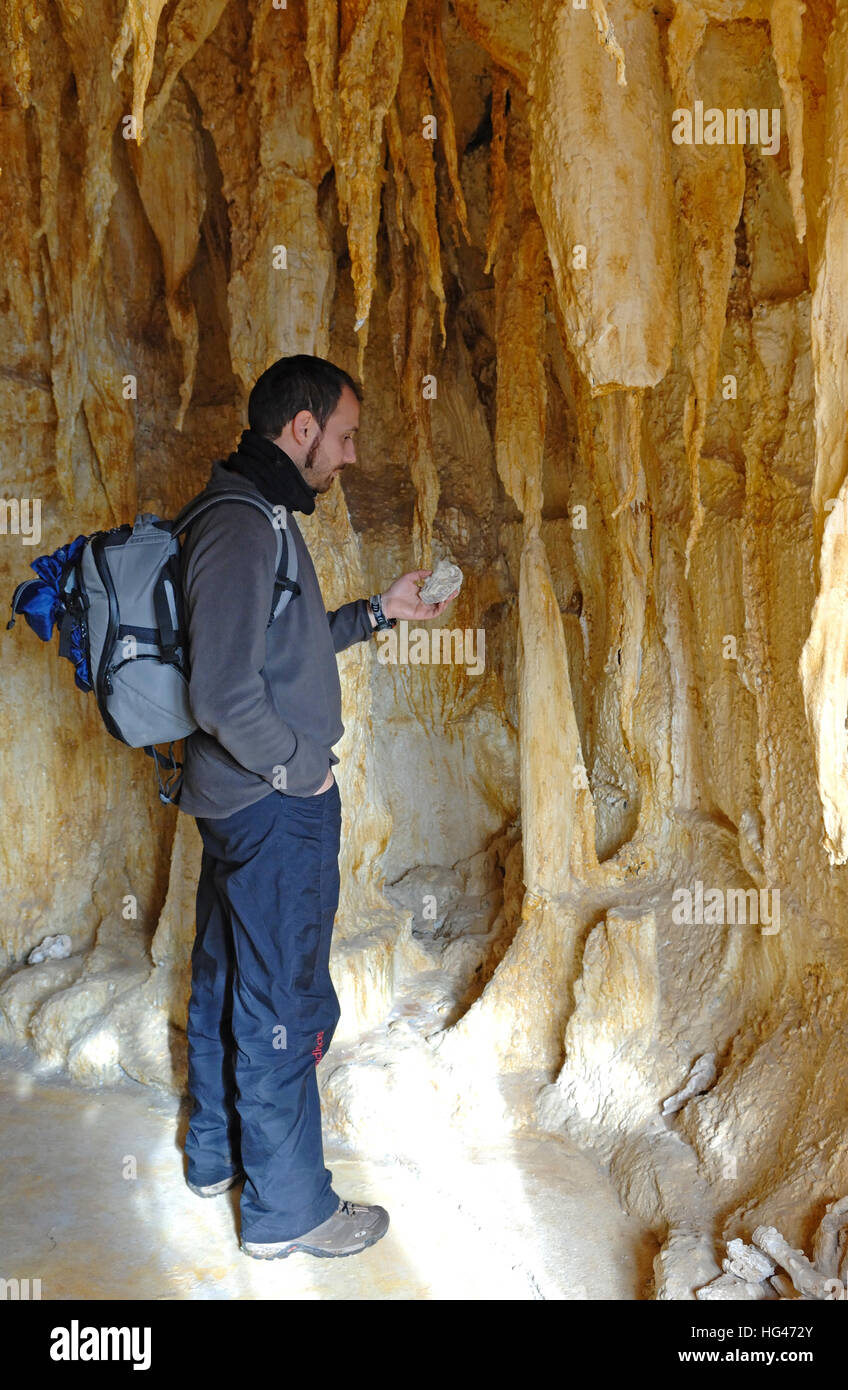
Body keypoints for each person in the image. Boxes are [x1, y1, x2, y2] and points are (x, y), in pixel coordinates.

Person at [177, 354, 458, 1260]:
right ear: (299, 428)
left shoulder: (257, 514)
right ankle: (288, 1213)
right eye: (341, 437)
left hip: (245, 801)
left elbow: (281, 647)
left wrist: (378, 613)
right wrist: (300, 768)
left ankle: (216, 1156)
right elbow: (223, 690)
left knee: (230, 980)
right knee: (281, 1004)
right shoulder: (241, 524)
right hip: (269, 807)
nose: (346, 457)